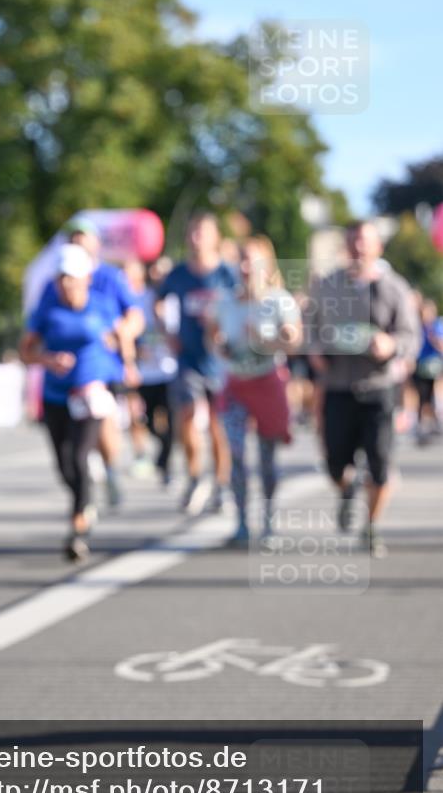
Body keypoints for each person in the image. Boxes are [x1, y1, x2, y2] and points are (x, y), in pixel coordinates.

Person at [306, 220, 420, 556]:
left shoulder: (394, 288)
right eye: (353, 240)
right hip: (338, 386)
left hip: (378, 387)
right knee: (334, 463)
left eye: (365, 241)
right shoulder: (327, 286)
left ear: (377, 247)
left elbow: (410, 336)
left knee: (380, 464)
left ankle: (370, 526)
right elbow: (310, 327)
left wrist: (391, 345)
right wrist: (314, 350)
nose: (358, 247)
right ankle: (347, 489)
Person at [20, 244, 117, 561]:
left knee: (79, 456)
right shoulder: (46, 310)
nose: (66, 284)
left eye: (72, 278)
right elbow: (26, 352)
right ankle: (84, 500)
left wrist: (124, 364)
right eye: (61, 278)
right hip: (55, 395)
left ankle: (78, 527)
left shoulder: (102, 305)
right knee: (63, 465)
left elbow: (122, 334)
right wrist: (48, 360)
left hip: (89, 394)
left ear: (86, 278)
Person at [38, 217, 144, 507]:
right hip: (64, 374)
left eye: (84, 242)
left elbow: (134, 316)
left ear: (95, 245)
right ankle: (84, 481)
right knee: (70, 448)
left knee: (104, 422)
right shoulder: (55, 283)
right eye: (74, 242)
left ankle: (109, 469)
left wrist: (123, 337)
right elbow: (38, 326)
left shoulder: (110, 277)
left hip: (103, 364)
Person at [211, 236, 302, 546]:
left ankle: (268, 520)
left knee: (266, 458)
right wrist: (222, 347)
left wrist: (271, 339)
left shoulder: (278, 301)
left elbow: (294, 341)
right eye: (242, 259)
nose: (246, 266)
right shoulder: (226, 300)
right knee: (236, 453)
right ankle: (240, 523)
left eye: (252, 260)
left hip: (267, 383)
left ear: (267, 264)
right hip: (236, 385)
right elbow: (213, 335)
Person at [157, 212, 236, 515]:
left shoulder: (227, 274)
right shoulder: (178, 274)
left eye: (202, 232)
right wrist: (167, 333)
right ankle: (194, 477)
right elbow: (157, 301)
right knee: (187, 417)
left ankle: (222, 483)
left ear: (216, 237)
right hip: (187, 358)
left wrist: (228, 330)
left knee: (218, 425)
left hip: (220, 361)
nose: (195, 238)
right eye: (192, 232)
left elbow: (244, 303)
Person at [123, 257, 177, 483]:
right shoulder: (139, 299)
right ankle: (145, 455)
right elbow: (130, 329)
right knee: (143, 420)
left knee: (171, 422)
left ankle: (165, 463)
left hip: (170, 371)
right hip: (145, 373)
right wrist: (135, 350)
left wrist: (163, 318)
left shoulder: (173, 302)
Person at [411, 297, 443, 445]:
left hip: (433, 366)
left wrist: (434, 338)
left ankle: (435, 423)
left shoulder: (437, 326)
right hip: (419, 366)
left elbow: (440, 345)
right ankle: (421, 425)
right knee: (421, 396)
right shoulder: (417, 326)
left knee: (432, 395)